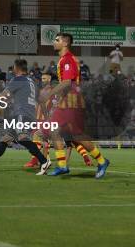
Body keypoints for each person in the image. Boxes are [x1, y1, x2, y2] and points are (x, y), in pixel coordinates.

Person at [40, 32, 110, 178]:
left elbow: (67, 82)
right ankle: (67, 165)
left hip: (72, 102)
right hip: (68, 101)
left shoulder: (67, 60)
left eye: (57, 40)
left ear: (65, 43)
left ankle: (67, 165)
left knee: (67, 133)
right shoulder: (64, 59)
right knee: (71, 135)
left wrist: (50, 93)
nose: (54, 42)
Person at [0, 59, 52, 175]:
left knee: (22, 138)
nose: (13, 69)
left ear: (17, 68)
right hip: (30, 114)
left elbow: (4, 96)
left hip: (22, 113)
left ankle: (43, 161)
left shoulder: (17, 79)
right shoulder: (31, 81)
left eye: (14, 67)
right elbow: (38, 99)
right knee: (6, 140)